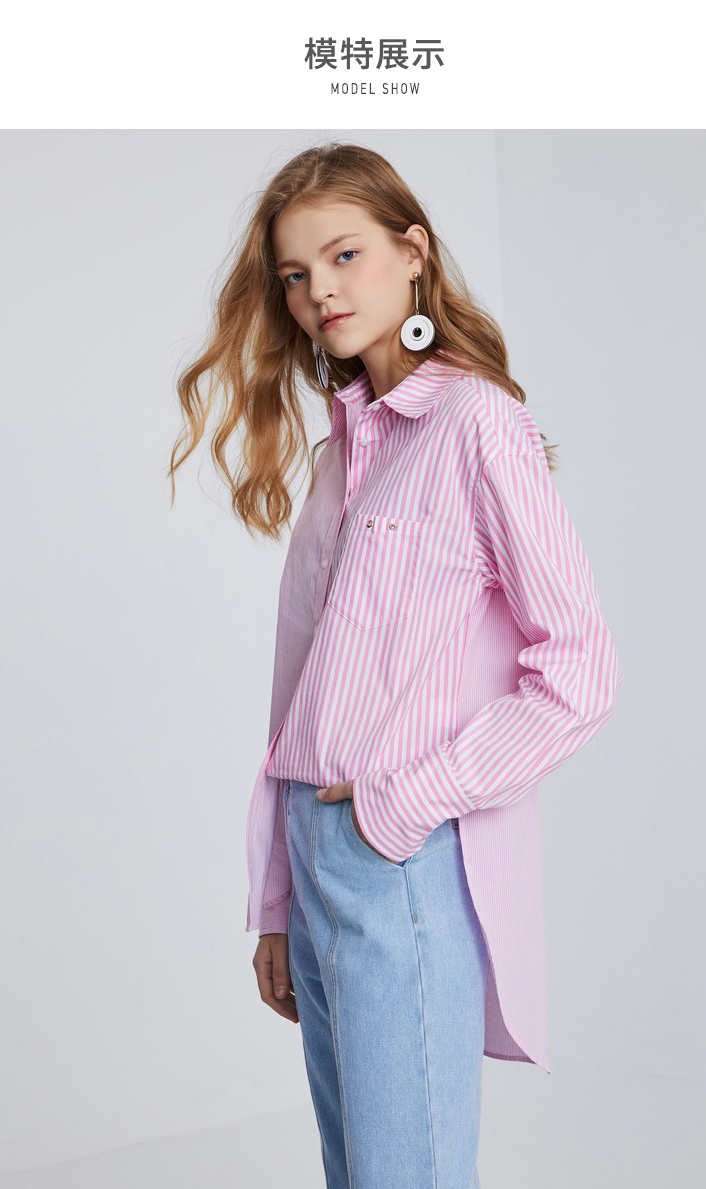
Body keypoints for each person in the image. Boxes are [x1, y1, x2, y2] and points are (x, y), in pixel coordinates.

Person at [169, 142, 623, 1189]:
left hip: (397, 856)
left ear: (412, 252)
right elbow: (297, 694)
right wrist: (276, 899)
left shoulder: (479, 424)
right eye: (296, 273)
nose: (319, 291)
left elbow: (580, 668)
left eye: (345, 255)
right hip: (314, 848)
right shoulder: (344, 454)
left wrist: (406, 801)